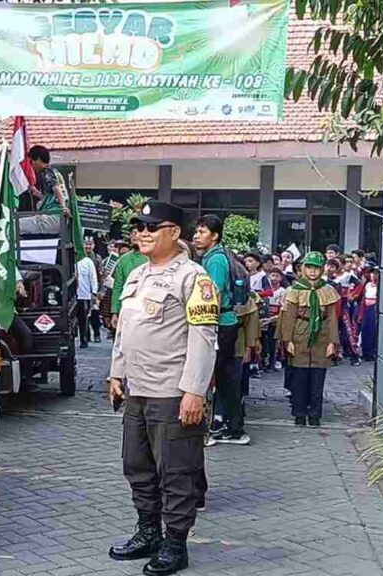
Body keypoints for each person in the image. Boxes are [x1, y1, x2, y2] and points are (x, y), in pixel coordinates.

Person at [108, 200, 218, 576]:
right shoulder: (137, 275)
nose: (142, 232)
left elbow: (204, 338)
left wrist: (194, 391)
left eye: (152, 226)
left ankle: (175, 544)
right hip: (137, 391)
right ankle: (148, 532)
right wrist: (115, 374)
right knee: (137, 467)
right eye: (138, 225)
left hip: (172, 393)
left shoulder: (193, 277)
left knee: (176, 473)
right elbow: (125, 331)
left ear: (174, 232)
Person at [192, 214, 248, 445]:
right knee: (226, 377)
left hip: (219, 324)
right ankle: (232, 427)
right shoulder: (218, 255)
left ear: (215, 236)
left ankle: (219, 428)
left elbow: (210, 296)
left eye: (202, 232)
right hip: (226, 323)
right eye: (196, 231)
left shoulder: (215, 260)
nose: (196, 236)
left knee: (212, 376)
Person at [279, 252, 340, 427]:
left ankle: (315, 415)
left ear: (322, 270)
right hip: (300, 335)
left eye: (316, 268)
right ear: (303, 269)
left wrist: (332, 342)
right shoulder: (296, 290)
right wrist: (287, 340)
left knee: (317, 380)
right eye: (309, 267)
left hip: (321, 336)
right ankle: (299, 414)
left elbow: (332, 319)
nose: (313, 272)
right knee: (299, 379)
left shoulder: (328, 290)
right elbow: (289, 317)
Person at [19, 145, 71, 236]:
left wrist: (63, 207)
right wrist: (37, 193)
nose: (32, 165)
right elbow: (52, 198)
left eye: (32, 162)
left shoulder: (46, 172)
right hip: (59, 220)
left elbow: (56, 189)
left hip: (52, 217)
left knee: (16, 224)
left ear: (38, 159)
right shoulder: (56, 172)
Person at [111, 229, 149, 332]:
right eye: (132, 233)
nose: (134, 236)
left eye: (138, 232)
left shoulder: (153, 257)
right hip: (127, 309)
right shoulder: (124, 260)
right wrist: (115, 312)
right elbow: (118, 287)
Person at [262, 269, 287, 372]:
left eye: (277, 276)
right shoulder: (265, 290)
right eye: (272, 275)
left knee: (274, 342)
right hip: (265, 317)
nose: (274, 278)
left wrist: (273, 319)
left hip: (276, 320)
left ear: (281, 278)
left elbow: (283, 308)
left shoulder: (282, 291)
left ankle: (273, 362)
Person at [76, 246, 100, 348]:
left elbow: (93, 277)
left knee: (83, 318)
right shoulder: (68, 260)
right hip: (72, 295)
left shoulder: (87, 262)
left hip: (84, 295)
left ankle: (84, 339)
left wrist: (94, 292)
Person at [84, 238, 105, 343]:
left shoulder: (97, 258)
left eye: (90, 244)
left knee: (94, 313)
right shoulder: (79, 257)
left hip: (94, 289)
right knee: (83, 314)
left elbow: (101, 276)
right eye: (86, 244)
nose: (88, 246)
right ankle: (85, 335)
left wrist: (100, 291)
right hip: (82, 289)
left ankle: (96, 333)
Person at [359, 265, 379, 361]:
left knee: (372, 331)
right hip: (366, 307)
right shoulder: (367, 285)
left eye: (374, 273)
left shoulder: (379, 286)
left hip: (373, 308)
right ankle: (364, 352)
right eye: (371, 273)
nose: (372, 275)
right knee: (365, 330)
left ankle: (371, 353)